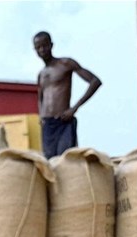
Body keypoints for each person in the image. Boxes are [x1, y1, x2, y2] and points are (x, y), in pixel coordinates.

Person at [33, 31, 102, 159]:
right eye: (38, 48)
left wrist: (74, 108)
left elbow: (95, 82)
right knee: (49, 163)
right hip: (48, 125)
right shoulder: (41, 74)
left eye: (44, 46)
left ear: (51, 45)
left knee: (66, 160)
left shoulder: (65, 64)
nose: (42, 50)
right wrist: (41, 116)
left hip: (63, 120)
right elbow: (41, 96)